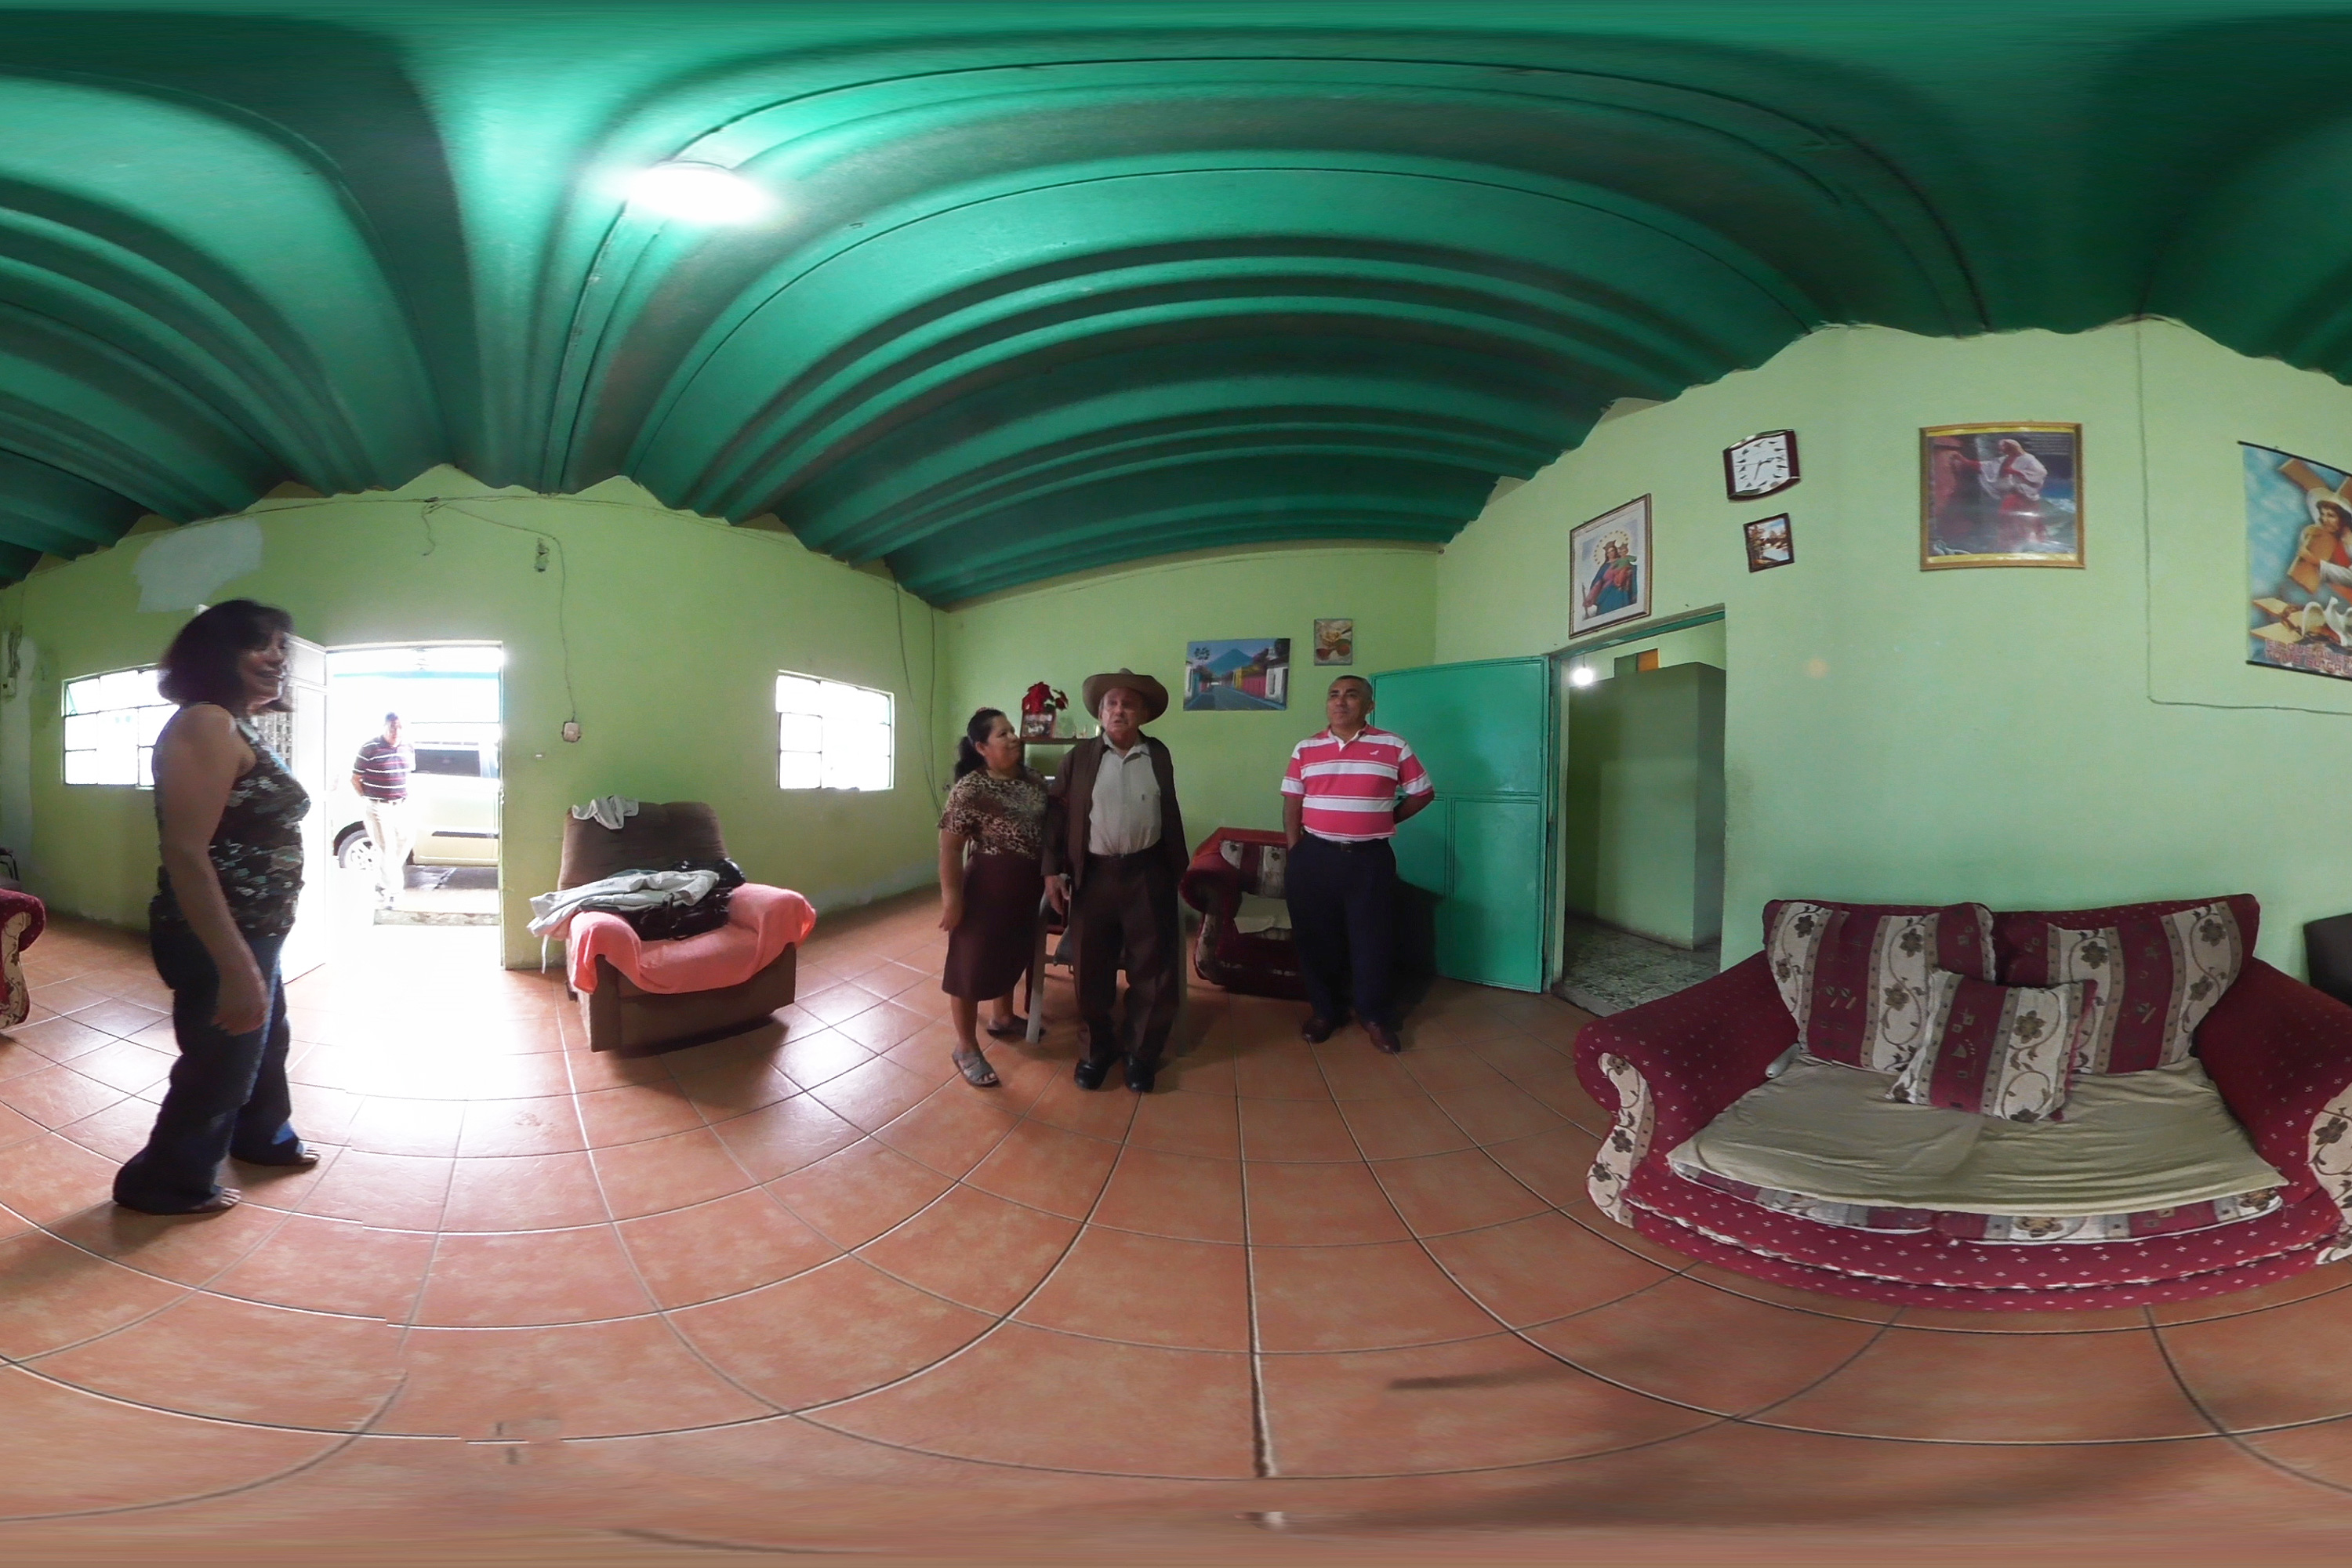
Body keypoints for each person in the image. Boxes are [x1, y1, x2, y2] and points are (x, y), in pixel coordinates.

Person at [113, 600, 316, 1216]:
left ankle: (263, 1139)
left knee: (264, 1041)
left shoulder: (237, 724)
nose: (277, 658)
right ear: (216, 655)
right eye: (260, 644)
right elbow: (185, 851)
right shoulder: (206, 722)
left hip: (257, 926)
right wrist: (235, 965)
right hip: (215, 930)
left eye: (282, 646)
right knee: (222, 1061)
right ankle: (163, 1183)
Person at [1044, 669, 1187, 1093]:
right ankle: (1096, 1051)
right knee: (1091, 970)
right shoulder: (1079, 757)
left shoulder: (1158, 754)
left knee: (1153, 970)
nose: (1119, 710)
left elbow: (1168, 809)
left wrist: (1177, 869)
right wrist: (1051, 870)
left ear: (1143, 713)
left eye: (1128, 704)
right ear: (1101, 712)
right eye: (1112, 703)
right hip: (1094, 876)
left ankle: (1141, 1054)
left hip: (1148, 873)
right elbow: (1055, 815)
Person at [1282, 674, 1436, 1054]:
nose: (1340, 701)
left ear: (1369, 706)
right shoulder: (1306, 748)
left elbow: (1422, 793)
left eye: (1352, 695)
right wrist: (1295, 848)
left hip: (1369, 860)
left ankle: (1375, 1016)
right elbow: (1292, 802)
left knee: (1373, 940)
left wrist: (1386, 818)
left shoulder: (1393, 745)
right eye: (1334, 695)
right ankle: (1325, 1012)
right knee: (1316, 939)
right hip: (1314, 857)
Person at [937, 707, 1048, 1087]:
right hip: (987, 886)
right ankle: (966, 1047)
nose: (1014, 737)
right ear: (981, 747)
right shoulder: (972, 788)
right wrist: (952, 898)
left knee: (1012, 953)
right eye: (1003, 734)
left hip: (1028, 886)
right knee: (968, 966)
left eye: (1013, 730)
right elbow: (950, 848)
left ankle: (1002, 1017)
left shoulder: (1033, 780)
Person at [350, 710, 414, 908]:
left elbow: (407, 775)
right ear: (385, 726)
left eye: (400, 727)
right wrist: (369, 799)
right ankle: (393, 892)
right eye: (393, 727)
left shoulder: (408, 747)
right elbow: (355, 779)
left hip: (400, 805)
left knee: (405, 840)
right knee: (386, 847)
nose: (396, 732)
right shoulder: (370, 748)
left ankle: (382, 880)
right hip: (378, 805)